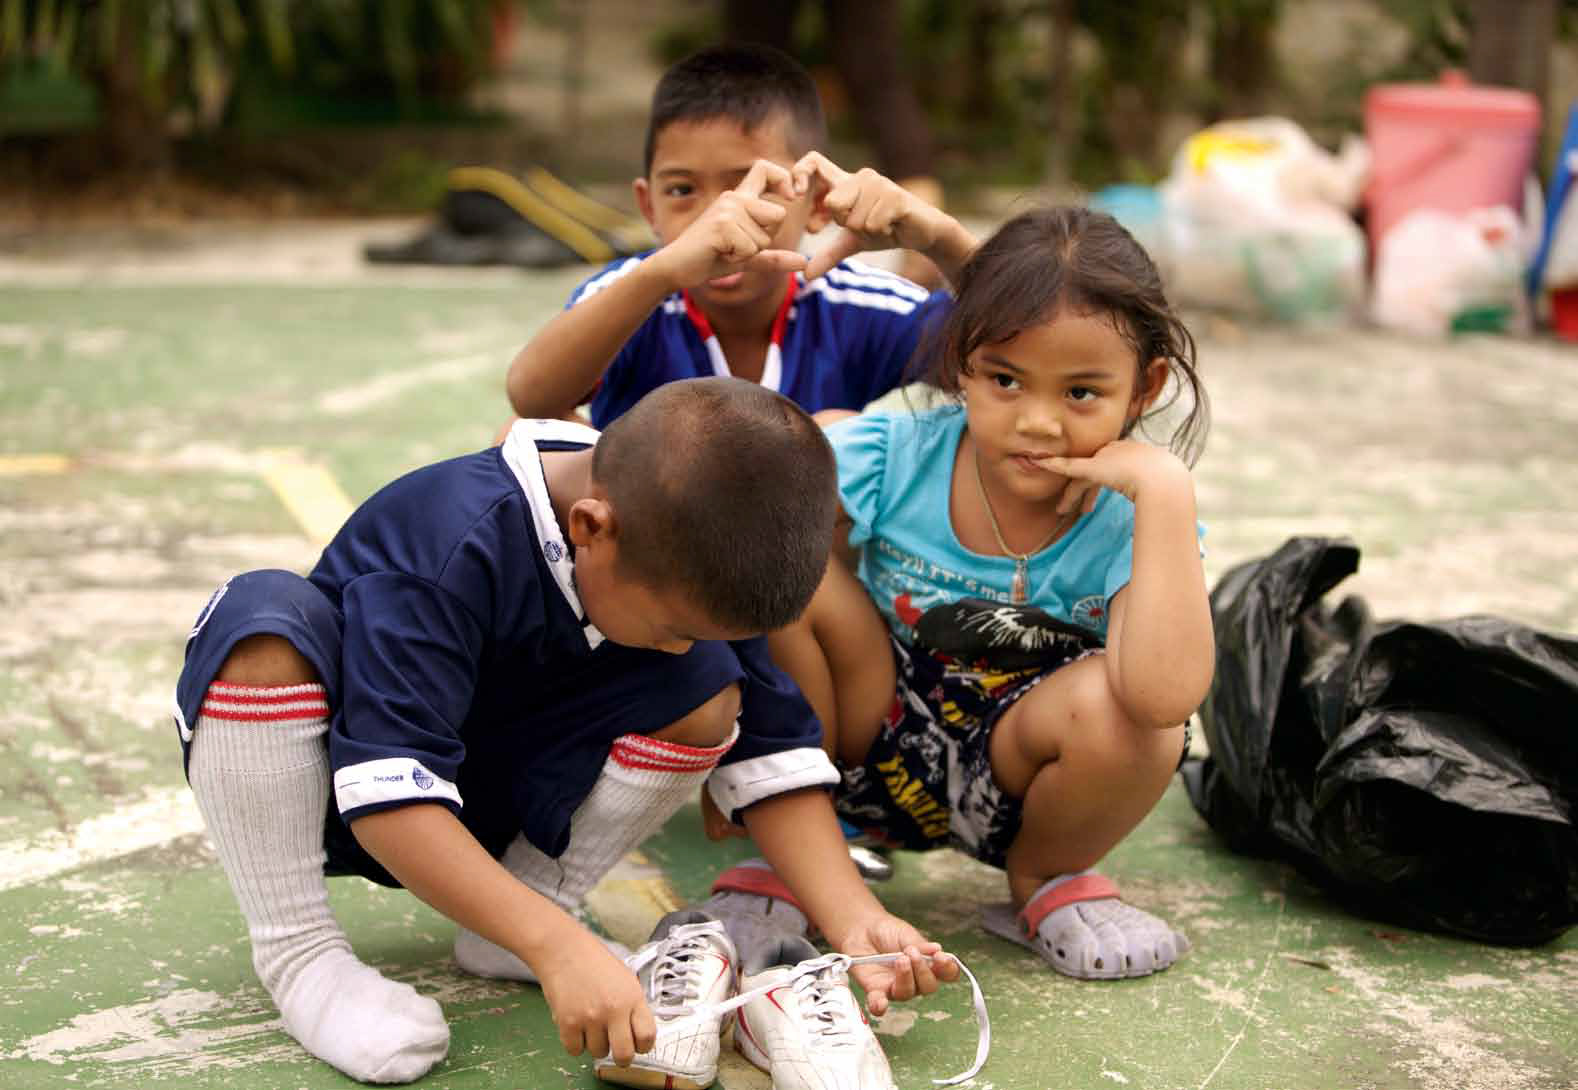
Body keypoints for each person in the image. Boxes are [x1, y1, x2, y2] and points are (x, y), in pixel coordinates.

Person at [172, 377, 955, 1086]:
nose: (683, 640)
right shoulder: (448, 540)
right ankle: (302, 954)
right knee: (259, 625)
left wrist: (858, 920)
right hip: (347, 798)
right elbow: (386, 792)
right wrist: (559, 947)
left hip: (506, 806)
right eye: (675, 625)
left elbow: (773, 750)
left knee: (707, 687)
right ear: (591, 527)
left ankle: (522, 908)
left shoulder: (696, 536)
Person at [708, 206, 1214, 981]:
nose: (1038, 423)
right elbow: (730, 539)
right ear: (961, 365)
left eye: (1082, 393)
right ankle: (798, 849)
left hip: (1017, 773)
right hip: (859, 744)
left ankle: (1045, 883)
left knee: (1137, 721)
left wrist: (1167, 493)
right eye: (1006, 381)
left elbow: (1164, 699)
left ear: (1143, 389)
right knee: (786, 574)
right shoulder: (894, 454)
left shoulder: (1134, 513)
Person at [503, 42, 975, 430]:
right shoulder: (634, 294)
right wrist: (663, 271)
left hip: (808, 542)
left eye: (755, 184)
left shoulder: (859, 305)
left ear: (815, 203)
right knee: (524, 440)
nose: (719, 218)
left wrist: (943, 239)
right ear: (648, 206)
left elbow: (1018, 356)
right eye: (683, 190)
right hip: (656, 537)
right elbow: (532, 397)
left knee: (841, 431)